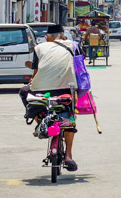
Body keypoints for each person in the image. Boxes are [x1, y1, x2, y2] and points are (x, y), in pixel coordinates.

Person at [21, 24, 79, 171]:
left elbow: (35, 73)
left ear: (47, 38)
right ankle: (68, 156)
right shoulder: (73, 45)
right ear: (63, 36)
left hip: (41, 91)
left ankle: (39, 121)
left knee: (23, 92)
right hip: (66, 90)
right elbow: (79, 67)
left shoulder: (40, 48)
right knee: (69, 120)